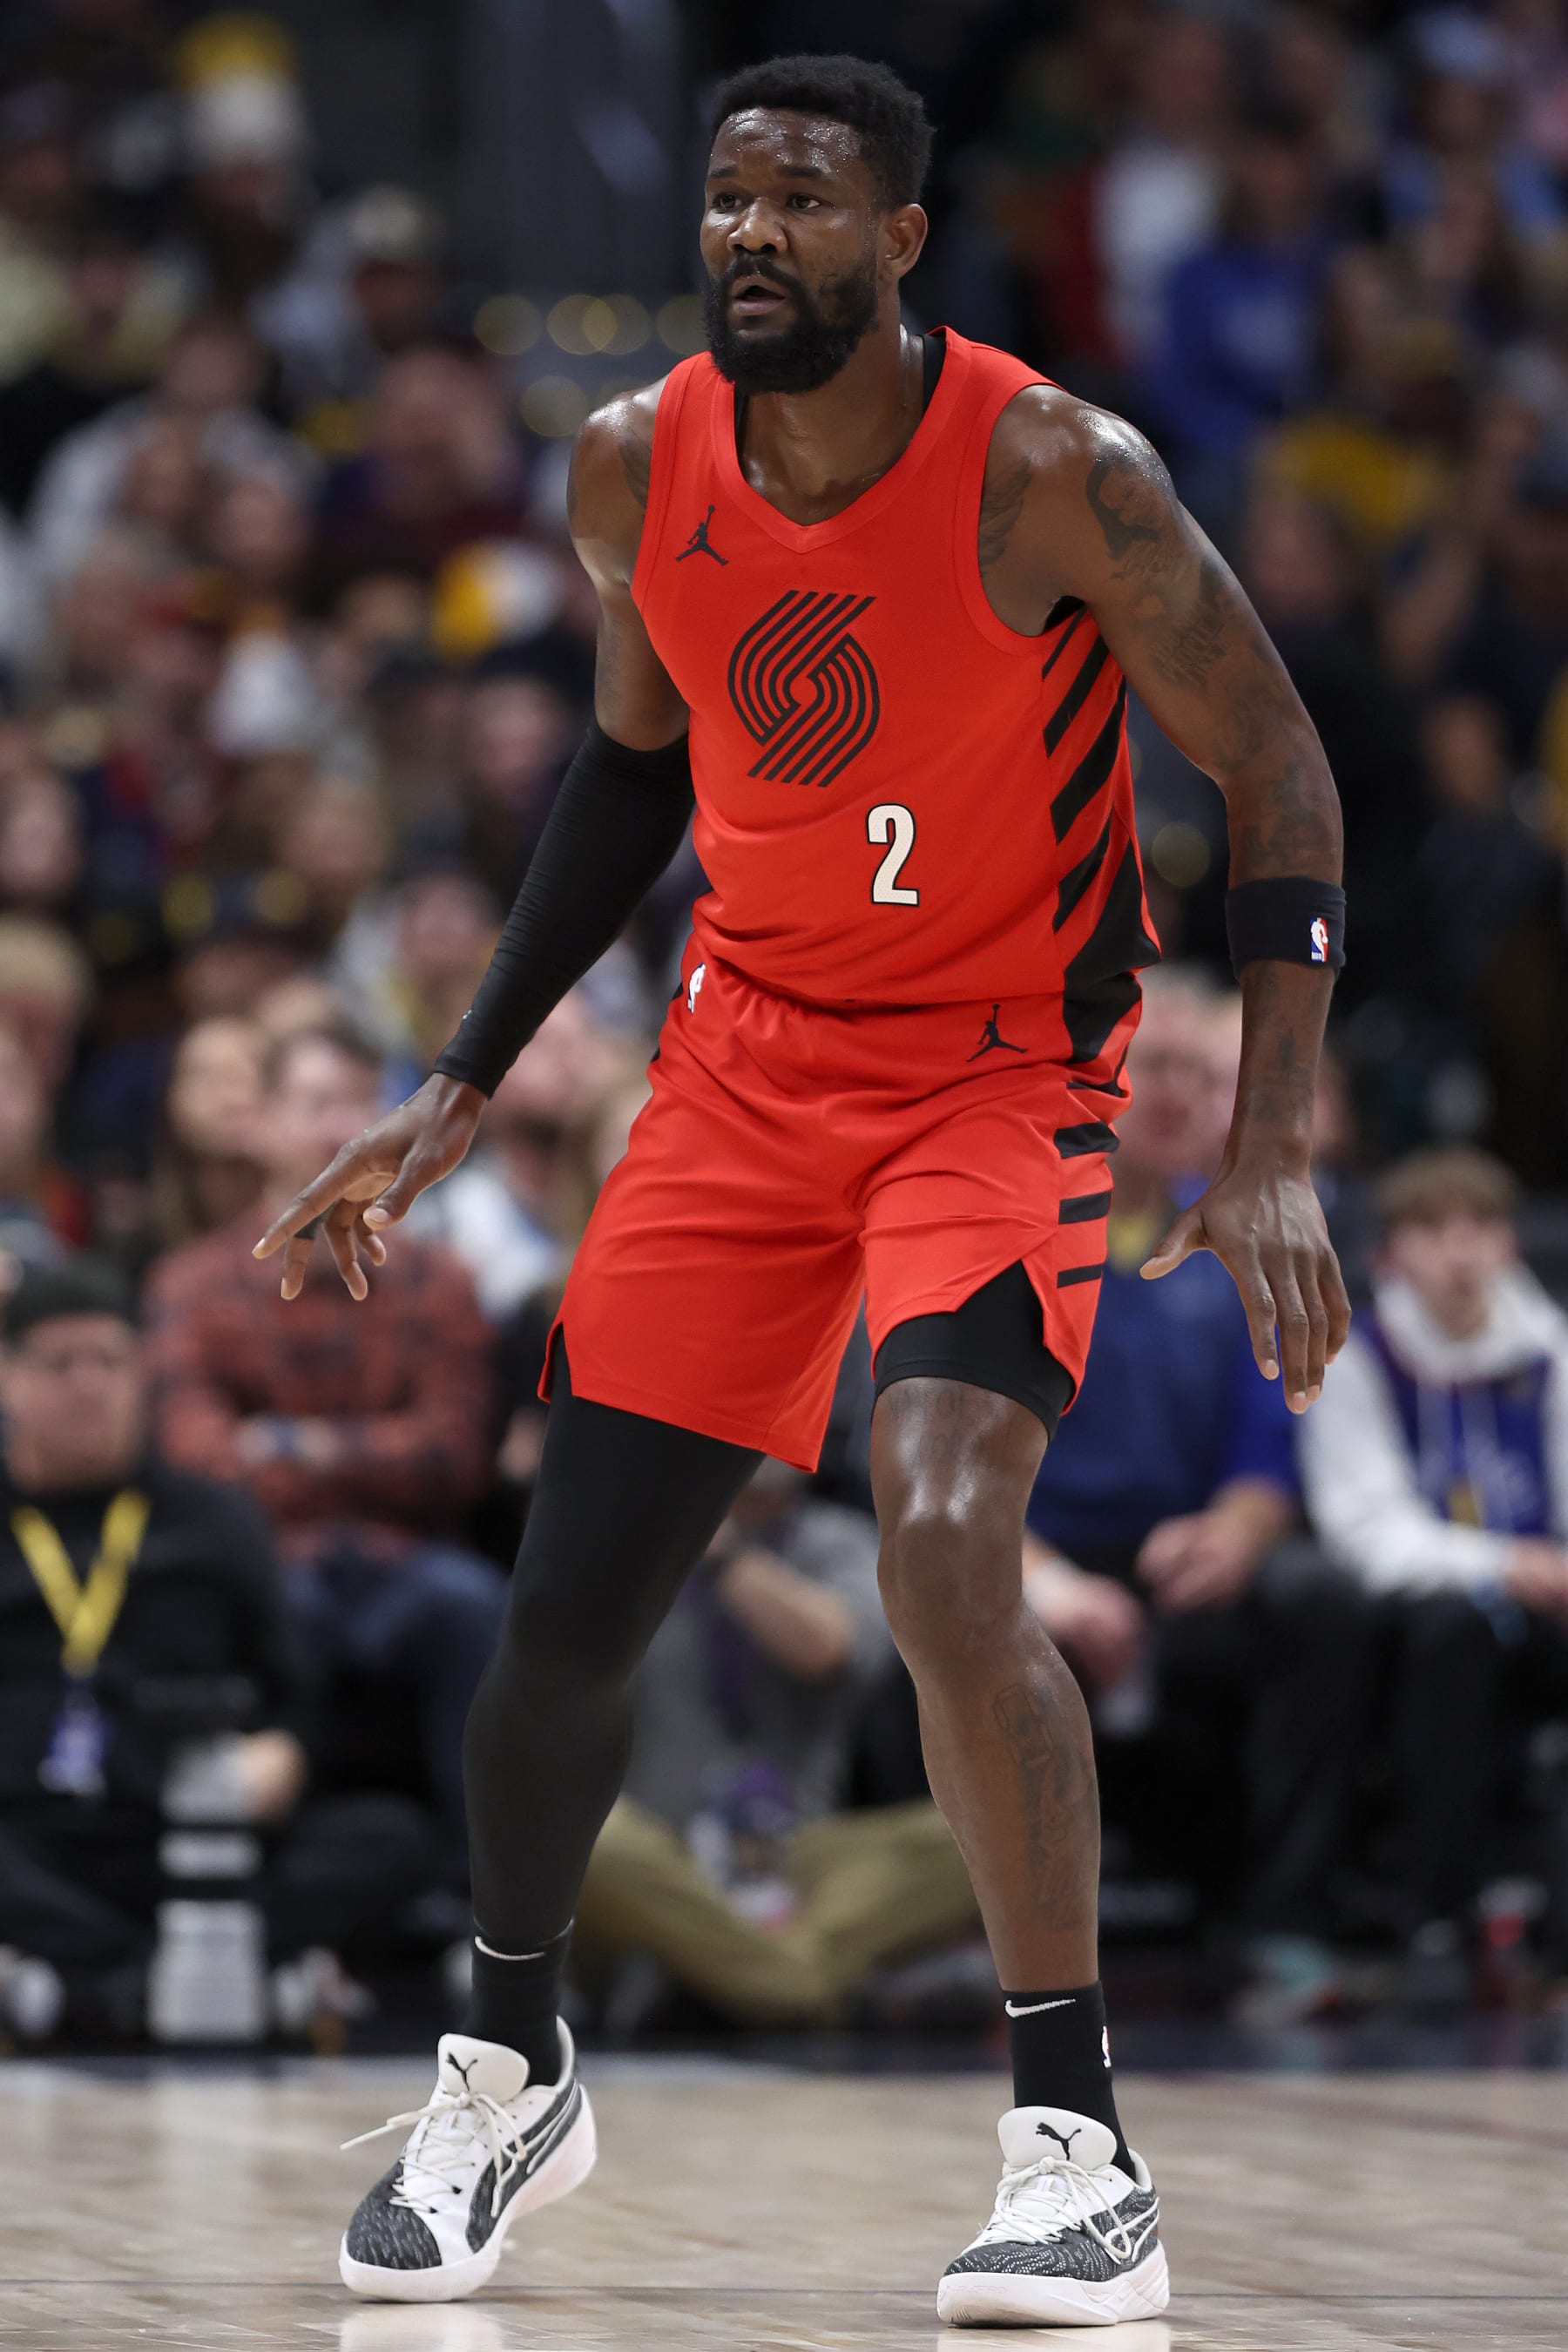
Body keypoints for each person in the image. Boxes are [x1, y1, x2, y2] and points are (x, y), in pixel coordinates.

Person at [256, 56, 1348, 2328]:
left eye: (806, 203)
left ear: (901, 242)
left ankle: (1075, 2143)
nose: (754, 233)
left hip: (998, 1075)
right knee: (564, 1616)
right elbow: (627, 770)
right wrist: (458, 1080)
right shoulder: (634, 462)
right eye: (732, 198)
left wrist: (1268, 1140)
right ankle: (510, 2060)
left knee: (950, 1540)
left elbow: (1275, 770)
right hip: (741, 1073)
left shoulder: (1063, 474)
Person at [1022, 975, 1369, 2017]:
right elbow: (938, 1450)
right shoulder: (1016, 1223)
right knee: (939, 1608)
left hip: (1185, 1559)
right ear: (1090, 1076)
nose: (1169, 1093)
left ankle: (1286, 1929)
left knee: (1322, 1602)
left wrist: (1239, 1527)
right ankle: (966, 1938)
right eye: (1146, 1066)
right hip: (1034, 1558)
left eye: (1190, 1071)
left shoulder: (1238, 1238)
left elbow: (1276, 1433)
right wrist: (1041, 1578)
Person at [0, 1260, 434, 2040]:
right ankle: (174, 1989)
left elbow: (297, 1695)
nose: (88, 1385)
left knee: (390, 1836)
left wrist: (285, 1755)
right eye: (60, 1364)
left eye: (108, 1361)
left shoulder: (213, 1521)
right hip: (26, 1839)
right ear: (8, 1378)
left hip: (187, 1837)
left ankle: (87, 1995)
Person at [145, 1018, 503, 1841]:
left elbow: (454, 1455)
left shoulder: (439, 1282)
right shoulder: (192, 1284)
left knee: (475, 1609)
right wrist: (371, 1450)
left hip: (411, 1566)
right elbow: (195, 1465)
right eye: (310, 1102)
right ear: (259, 1121)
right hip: (264, 1568)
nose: (337, 1127)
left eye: (356, 1103)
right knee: (244, 1611)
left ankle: (485, 1910)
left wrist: (287, 1443)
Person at [1298, 1147, 1568, 2000]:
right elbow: (1365, 1530)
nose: (1460, 1251)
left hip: (1547, 1603)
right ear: (1390, 1255)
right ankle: (1437, 1922)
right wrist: (1503, 1563)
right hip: (1422, 1616)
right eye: (1433, 1229)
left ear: (1511, 1247)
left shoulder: (1551, 1351)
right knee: (1449, 1641)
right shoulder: (1360, 1353)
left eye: (1481, 1227)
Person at [576, 1456, 977, 2028]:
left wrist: (723, 1550)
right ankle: (819, 1988)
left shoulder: (842, 1541)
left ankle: (723, 1977)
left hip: (802, 1856)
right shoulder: (627, 1542)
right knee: (589, 1840)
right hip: (664, 1857)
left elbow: (826, 1647)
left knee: (994, 1834)